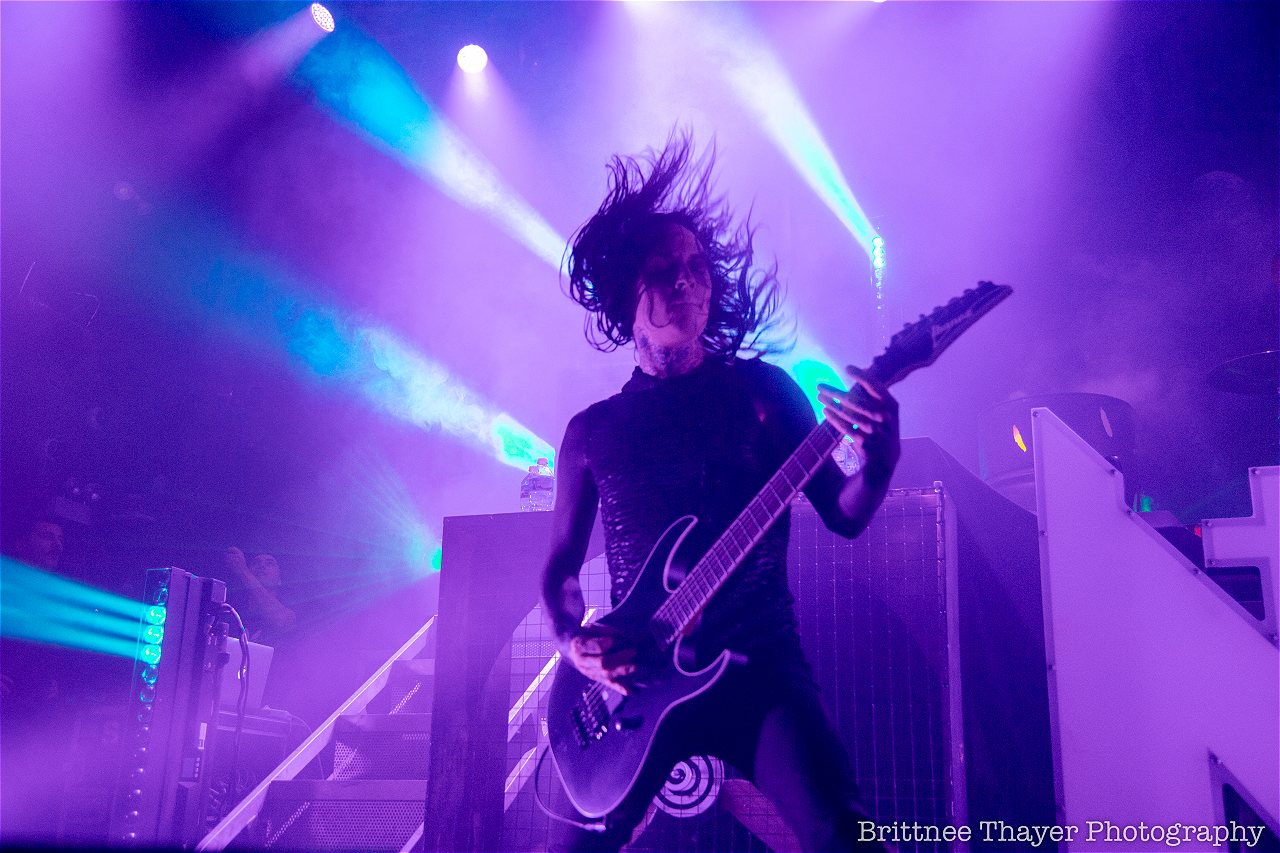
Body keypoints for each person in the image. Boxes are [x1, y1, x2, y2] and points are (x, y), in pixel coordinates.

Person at [541, 133, 900, 853]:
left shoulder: (763, 393)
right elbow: (560, 570)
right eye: (663, 271)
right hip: (637, 678)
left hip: (759, 664)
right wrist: (574, 645)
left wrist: (883, 453)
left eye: (697, 268)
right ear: (624, 294)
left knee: (845, 834)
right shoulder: (591, 432)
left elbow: (845, 513)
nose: (687, 282)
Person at [223, 546, 297, 646]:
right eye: (256, 562)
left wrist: (243, 570)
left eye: (269, 563)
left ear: (280, 579)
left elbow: (281, 621)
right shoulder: (231, 609)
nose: (262, 566)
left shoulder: (292, 605)